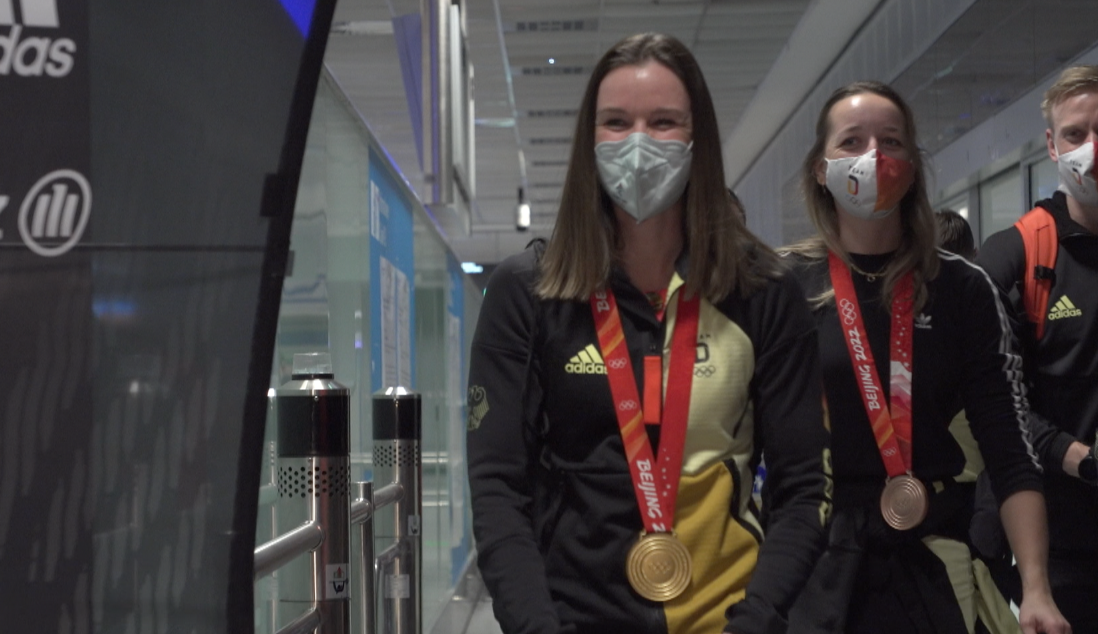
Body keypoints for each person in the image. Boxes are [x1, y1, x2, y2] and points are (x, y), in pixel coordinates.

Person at [465, 33, 831, 634]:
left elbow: (803, 487)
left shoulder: (763, 291)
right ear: (589, 141)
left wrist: (755, 622)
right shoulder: (527, 292)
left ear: (697, 139)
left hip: (725, 616)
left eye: (664, 122)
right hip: (572, 619)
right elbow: (498, 490)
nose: (638, 142)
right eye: (616, 122)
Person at [782, 80, 1069, 634]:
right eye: (851, 142)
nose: (873, 157)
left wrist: (1036, 588)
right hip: (814, 558)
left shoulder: (960, 287)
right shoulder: (785, 287)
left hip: (930, 552)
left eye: (891, 142)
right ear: (820, 168)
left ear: (912, 166)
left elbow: (1008, 445)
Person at [977, 65, 1098, 633]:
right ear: (1052, 146)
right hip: (1050, 548)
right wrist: (1082, 459)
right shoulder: (1016, 256)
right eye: (1076, 134)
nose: (1092, 148)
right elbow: (997, 405)